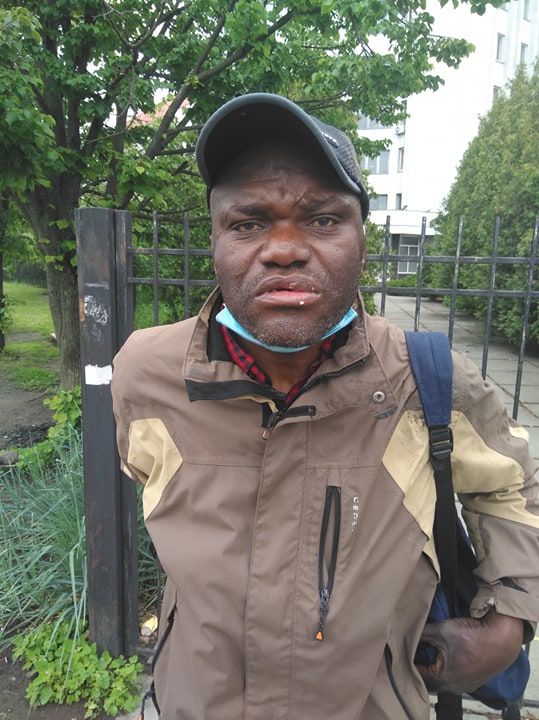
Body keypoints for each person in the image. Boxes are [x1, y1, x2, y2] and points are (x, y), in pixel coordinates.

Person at [111, 93, 539, 720]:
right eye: (248, 223)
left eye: (322, 220)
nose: (284, 249)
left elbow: (514, 487)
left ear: (363, 242)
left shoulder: (429, 381)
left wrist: (510, 618)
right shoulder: (146, 374)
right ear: (215, 239)